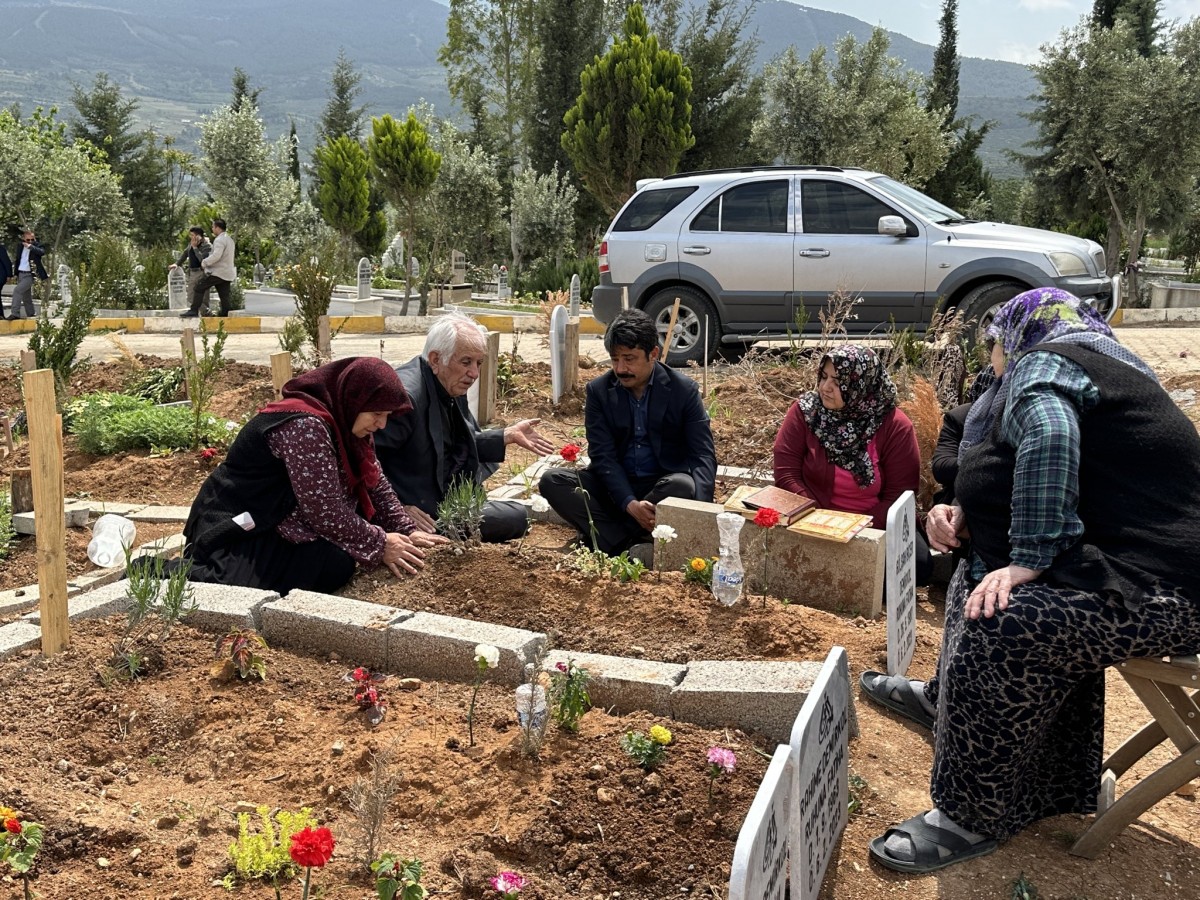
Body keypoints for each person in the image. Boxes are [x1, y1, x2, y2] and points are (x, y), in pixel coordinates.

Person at [866, 288, 1200, 875]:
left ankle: (966, 816)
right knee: (982, 573)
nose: (991, 361)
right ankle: (956, 708)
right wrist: (974, 515)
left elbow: (1048, 435)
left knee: (1005, 616)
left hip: (1171, 593)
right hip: (1146, 572)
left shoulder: (1047, 361)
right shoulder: (1105, 363)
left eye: (993, 347)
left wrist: (1032, 556)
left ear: (1014, 336)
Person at [178, 357, 447, 594]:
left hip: (283, 519)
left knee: (335, 563)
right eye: (377, 413)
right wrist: (380, 543)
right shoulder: (305, 427)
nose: (382, 424)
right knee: (229, 590)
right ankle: (152, 573)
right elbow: (324, 510)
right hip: (244, 523)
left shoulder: (349, 425)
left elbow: (375, 483)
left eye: (387, 415)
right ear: (353, 400)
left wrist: (406, 530)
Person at [539, 308, 716, 556]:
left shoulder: (682, 390)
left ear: (653, 354)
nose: (621, 368)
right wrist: (629, 503)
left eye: (629, 358)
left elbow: (702, 455)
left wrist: (700, 514)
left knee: (683, 485)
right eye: (615, 359)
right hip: (615, 488)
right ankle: (626, 542)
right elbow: (603, 456)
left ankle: (606, 537)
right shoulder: (599, 391)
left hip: (659, 486)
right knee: (553, 481)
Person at [375, 314, 554, 543]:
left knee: (516, 515)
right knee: (514, 518)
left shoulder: (446, 383)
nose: (474, 374)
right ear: (435, 359)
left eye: (479, 363)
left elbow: (451, 444)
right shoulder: (407, 397)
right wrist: (397, 509)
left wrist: (505, 436)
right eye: (466, 362)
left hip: (440, 500)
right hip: (415, 513)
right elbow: (361, 461)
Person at [772, 345, 931, 584]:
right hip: (812, 517)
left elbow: (899, 497)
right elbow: (786, 473)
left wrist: (856, 530)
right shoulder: (806, 412)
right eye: (824, 377)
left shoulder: (895, 426)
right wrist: (815, 518)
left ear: (860, 385)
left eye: (838, 382)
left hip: (873, 523)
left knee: (916, 566)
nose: (825, 387)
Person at [182, 218, 234, 318]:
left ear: (217, 228)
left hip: (218, 272)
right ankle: (225, 316)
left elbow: (216, 256)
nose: (212, 229)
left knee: (198, 287)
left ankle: (193, 310)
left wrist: (204, 263)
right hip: (227, 273)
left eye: (213, 227)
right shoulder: (229, 239)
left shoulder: (219, 240)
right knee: (224, 297)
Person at [169, 226, 212, 314]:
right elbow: (185, 253)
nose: (191, 237)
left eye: (192, 235)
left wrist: (195, 248)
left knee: (204, 297)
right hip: (193, 272)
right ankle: (206, 312)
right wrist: (177, 264)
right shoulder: (191, 243)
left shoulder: (207, 246)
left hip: (202, 272)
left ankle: (205, 314)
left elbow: (203, 260)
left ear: (198, 236)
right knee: (191, 296)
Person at [8, 229, 48, 320]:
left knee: (17, 291)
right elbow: (18, 260)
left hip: (31, 274)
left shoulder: (36, 246)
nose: (30, 241)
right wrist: (15, 274)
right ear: (24, 239)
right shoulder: (20, 246)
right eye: (28, 240)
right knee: (26, 296)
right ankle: (31, 313)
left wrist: (30, 246)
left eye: (32, 239)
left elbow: (42, 252)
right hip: (21, 273)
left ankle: (15, 313)